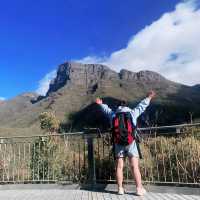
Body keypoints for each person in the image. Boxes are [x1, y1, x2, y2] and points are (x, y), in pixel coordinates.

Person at [96, 91, 156, 196]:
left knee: (119, 167)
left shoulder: (114, 115)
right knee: (134, 167)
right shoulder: (132, 113)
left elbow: (106, 110)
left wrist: (101, 104)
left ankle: (120, 189)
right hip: (131, 142)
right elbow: (141, 106)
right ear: (126, 106)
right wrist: (149, 97)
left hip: (118, 143)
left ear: (118, 106)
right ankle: (139, 189)